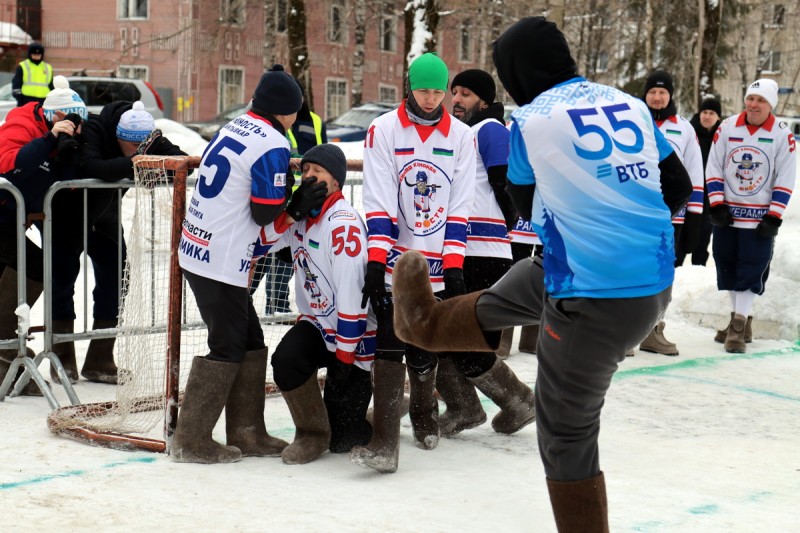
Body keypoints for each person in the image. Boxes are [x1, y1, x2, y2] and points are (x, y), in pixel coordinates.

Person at [388, 17, 692, 531]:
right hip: (645, 276)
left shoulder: (529, 121)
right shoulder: (630, 104)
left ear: (517, 72)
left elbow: (524, 203)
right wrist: (625, 222)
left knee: (565, 434)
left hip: (596, 298)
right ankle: (425, 322)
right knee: (516, 287)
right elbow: (679, 185)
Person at [172, 64, 323, 464]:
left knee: (251, 339)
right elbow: (263, 215)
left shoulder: (235, 125)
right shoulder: (273, 142)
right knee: (227, 344)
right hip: (221, 259)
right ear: (287, 111)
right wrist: (294, 204)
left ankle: (248, 431)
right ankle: (191, 438)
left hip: (201, 247)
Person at [349, 52, 477, 473]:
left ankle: (425, 418)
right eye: (423, 89)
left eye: (438, 90)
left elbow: (460, 204)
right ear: (409, 85)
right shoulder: (383, 130)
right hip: (393, 258)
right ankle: (385, 441)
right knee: (389, 339)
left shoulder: (461, 136)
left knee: (423, 346)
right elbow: (380, 199)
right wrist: (375, 261)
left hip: (438, 261)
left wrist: (455, 263)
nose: (430, 98)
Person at [47, 99, 188, 385]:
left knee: (116, 281)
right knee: (62, 283)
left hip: (105, 217)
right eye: (129, 146)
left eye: (141, 147)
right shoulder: (96, 129)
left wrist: (148, 161)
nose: (136, 152)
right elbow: (91, 165)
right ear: (119, 136)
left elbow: (182, 163)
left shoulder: (149, 137)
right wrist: (136, 164)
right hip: (70, 214)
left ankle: (100, 358)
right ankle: (62, 358)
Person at [256, 143, 374, 464]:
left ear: (336, 182)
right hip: (319, 326)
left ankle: (382, 412)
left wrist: (345, 356)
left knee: (345, 440)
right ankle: (311, 433)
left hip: (357, 336)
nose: (308, 177)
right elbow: (259, 244)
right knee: (286, 360)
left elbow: (354, 295)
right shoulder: (302, 217)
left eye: (317, 172)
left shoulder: (342, 224)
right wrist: (291, 212)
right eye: (305, 171)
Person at [435, 68, 534, 438]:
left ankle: (516, 400)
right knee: (447, 332)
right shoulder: (464, 134)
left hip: (482, 249)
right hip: (464, 247)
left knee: (456, 334)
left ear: (485, 102)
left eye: (465, 94)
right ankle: (466, 406)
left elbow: (506, 183)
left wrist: (506, 223)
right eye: (454, 92)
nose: (456, 100)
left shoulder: (488, 128)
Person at [0, 76, 87, 396]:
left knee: (32, 267)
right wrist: (49, 139)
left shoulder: (64, 138)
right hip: (4, 211)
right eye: (63, 120)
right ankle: (5, 352)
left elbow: (65, 181)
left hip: (14, 215)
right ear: (52, 116)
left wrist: (69, 152)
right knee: (34, 266)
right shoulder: (22, 123)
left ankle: (6, 355)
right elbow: (10, 164)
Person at [706, 78, 796, 353]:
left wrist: (774, 215)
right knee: (727, 265)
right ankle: (740, 321)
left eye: (761, 100)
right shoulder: (728, 126)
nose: (753, 104)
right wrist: (717, 203)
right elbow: (714, 166)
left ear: (771, 105)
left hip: (758, 217)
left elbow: (786, 176)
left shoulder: (782, 134)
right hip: (728, 214)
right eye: (751, 98)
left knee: (751, 268)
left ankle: (737, 326)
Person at [634, 70, 704, 357]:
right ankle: (626, 332)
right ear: (646, 94)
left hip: (670, 218)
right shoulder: (632, 122)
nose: (658, 96)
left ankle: (653, 330)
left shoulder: (684, 128)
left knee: (663, 275)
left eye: (663, 92)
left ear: (671, 95)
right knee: (632, 270)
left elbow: (695, 172)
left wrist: (695, 219)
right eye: (652, 91)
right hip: (635, 214)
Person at [249, 77, 328, 316]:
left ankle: (278, 307)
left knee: (285, 260)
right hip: (273, 199)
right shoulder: (275, 127)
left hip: (300, 202)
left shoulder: (314, 121)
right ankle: (251, 299)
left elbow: (322, 152)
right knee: (259, 256)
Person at [677, 97, 722, 267]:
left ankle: (698, 270)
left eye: (712, 113)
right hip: (688, 195)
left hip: (710, 198)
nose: (707, 116)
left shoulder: (721, 137)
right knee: (680, 241)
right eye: (704, 112)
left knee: (702, 242)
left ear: (718, 117)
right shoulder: (689, 132)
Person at [11, 42, 54, 107]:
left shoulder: (48, 68)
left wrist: (52, 98)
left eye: (38, 54)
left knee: (41, 117)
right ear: (30, 54)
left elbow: (51, 86)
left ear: (42, 54)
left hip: (44, 100)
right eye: (34, 54)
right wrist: (19, 99)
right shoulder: (22, 66)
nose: (36, 55)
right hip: (26, 99)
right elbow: (17, 83)